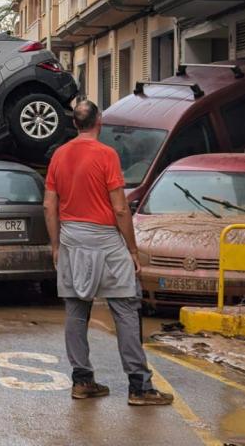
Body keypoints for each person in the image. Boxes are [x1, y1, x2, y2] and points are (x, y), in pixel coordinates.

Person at [44, 100, 174, 406]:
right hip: (104, 237)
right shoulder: (107, 155)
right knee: (126, 306)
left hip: (71, 237)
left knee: (76, 310)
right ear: (99, 121)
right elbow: (119, 207)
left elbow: (49, 205)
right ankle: (139, 387)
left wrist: (55, 245)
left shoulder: (60, 155)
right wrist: (131, 248)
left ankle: (82, 381)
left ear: (76, 124)